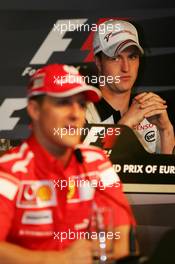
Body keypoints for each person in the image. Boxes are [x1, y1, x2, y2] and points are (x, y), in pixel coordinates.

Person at [0, 64, 137, 264]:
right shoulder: (9, 171)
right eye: (63, 102)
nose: (76, 114)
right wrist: (60, 260)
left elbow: (120, 238)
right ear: (35, 110)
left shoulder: (97, 162)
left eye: (81, 105)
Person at [86, 19, 174, 154]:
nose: (126, 68)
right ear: (98, 62)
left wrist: (166, 131)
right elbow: (85, 170)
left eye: (132, 57)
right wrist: (125, 126)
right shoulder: (80, 113)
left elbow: (165, 174)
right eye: (115, 58)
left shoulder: (150, 113)